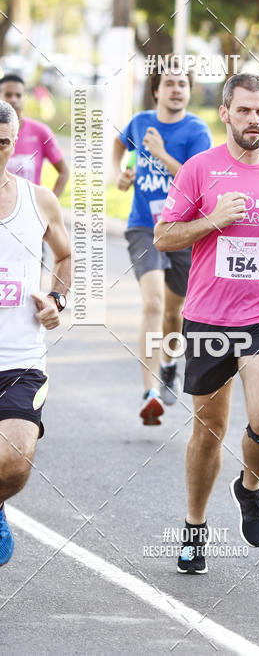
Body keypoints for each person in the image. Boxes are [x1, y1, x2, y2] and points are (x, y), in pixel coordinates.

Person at [154, 73, 259, 574]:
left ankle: (249, 487)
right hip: (209, 317)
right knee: (209, 431)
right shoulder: (199, 170)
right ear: (225, 113)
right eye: (244, 110)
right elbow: (163, 237)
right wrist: (213, 220)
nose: (254, 120)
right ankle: (195, 527)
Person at [113, 60, 211, 425]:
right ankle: (149, 391)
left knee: (174, 312)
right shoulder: (140, 122)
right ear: (156, 90)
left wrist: (161, 154)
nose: (176, 89)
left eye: (182, 84)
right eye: (169, 83)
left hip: (183, 230)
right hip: (144, 226)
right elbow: (119, 145)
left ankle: (170, 363)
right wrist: (120, 174)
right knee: (153, 303)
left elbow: (198, 183)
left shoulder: (197, 131)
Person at [0, 101, 71, 566]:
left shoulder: (39, 200)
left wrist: (56, 301)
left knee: (15, 462)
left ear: (14, 142)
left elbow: (64, 257)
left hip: (20, 359)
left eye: (3, 143)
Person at [0, 73, 69, 196]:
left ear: (24, 98)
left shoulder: (41, 132)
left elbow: (64, 171)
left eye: (18, 95)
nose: (14, 100)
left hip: (30, 206)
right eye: (8, 94)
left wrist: (49, 203)